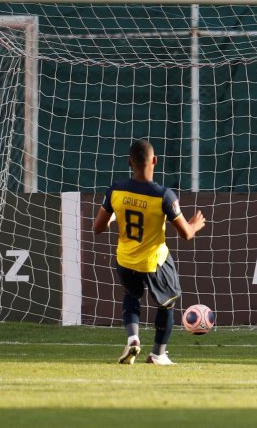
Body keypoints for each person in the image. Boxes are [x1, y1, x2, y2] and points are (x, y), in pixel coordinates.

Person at [91, 139, 207, 365]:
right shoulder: (164, 195)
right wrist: (195, 224)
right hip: (154, 262)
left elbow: (97, 228)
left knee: (131, 296)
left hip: (125, 260)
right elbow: (186, 234)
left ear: (128, 162)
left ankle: (133, 338)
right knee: (167, 303)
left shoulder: (115, 190)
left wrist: (115, 214)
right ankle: (158, 354)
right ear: (155, 161)